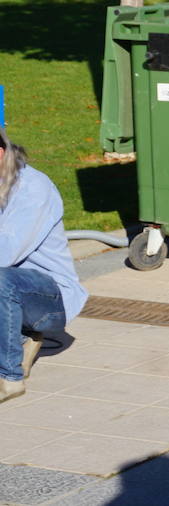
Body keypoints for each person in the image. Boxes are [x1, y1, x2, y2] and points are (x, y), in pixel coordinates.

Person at [0, 125, 88, 404]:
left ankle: (9, 378)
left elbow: (6, 254)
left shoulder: (33, 188)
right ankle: (20, 337)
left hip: (49, 297)